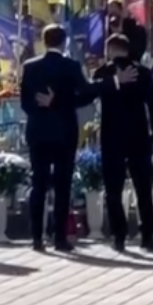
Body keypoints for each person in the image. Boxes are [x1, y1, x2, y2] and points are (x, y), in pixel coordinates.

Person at [21, 23, 93, 253]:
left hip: (38, 131)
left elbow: (25, 102)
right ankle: (60, 238)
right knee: (63, 184)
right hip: (64, 131)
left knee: (38, 183)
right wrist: (62, 102)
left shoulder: (30, 67)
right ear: (64, 42)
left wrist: (41, 105)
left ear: (44, 41)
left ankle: (36, 238)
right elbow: (86, 94)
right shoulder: (70, 66)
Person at [93, 31, 153, 252]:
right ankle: (147, 236)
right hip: (139, 135)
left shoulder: (103, 72)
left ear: (110, 50)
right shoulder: (143, 72)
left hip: (112, 137)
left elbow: (92, 96)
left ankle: (119, 236)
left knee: (114, 189)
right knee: (143, 188)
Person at [106, 0, 148, 64]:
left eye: (115, 12)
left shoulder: (137, 29)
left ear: (122, 11)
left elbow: (138, 51)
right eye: (110, 14)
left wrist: (121, 33)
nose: (113, 18)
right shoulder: (108, 31)